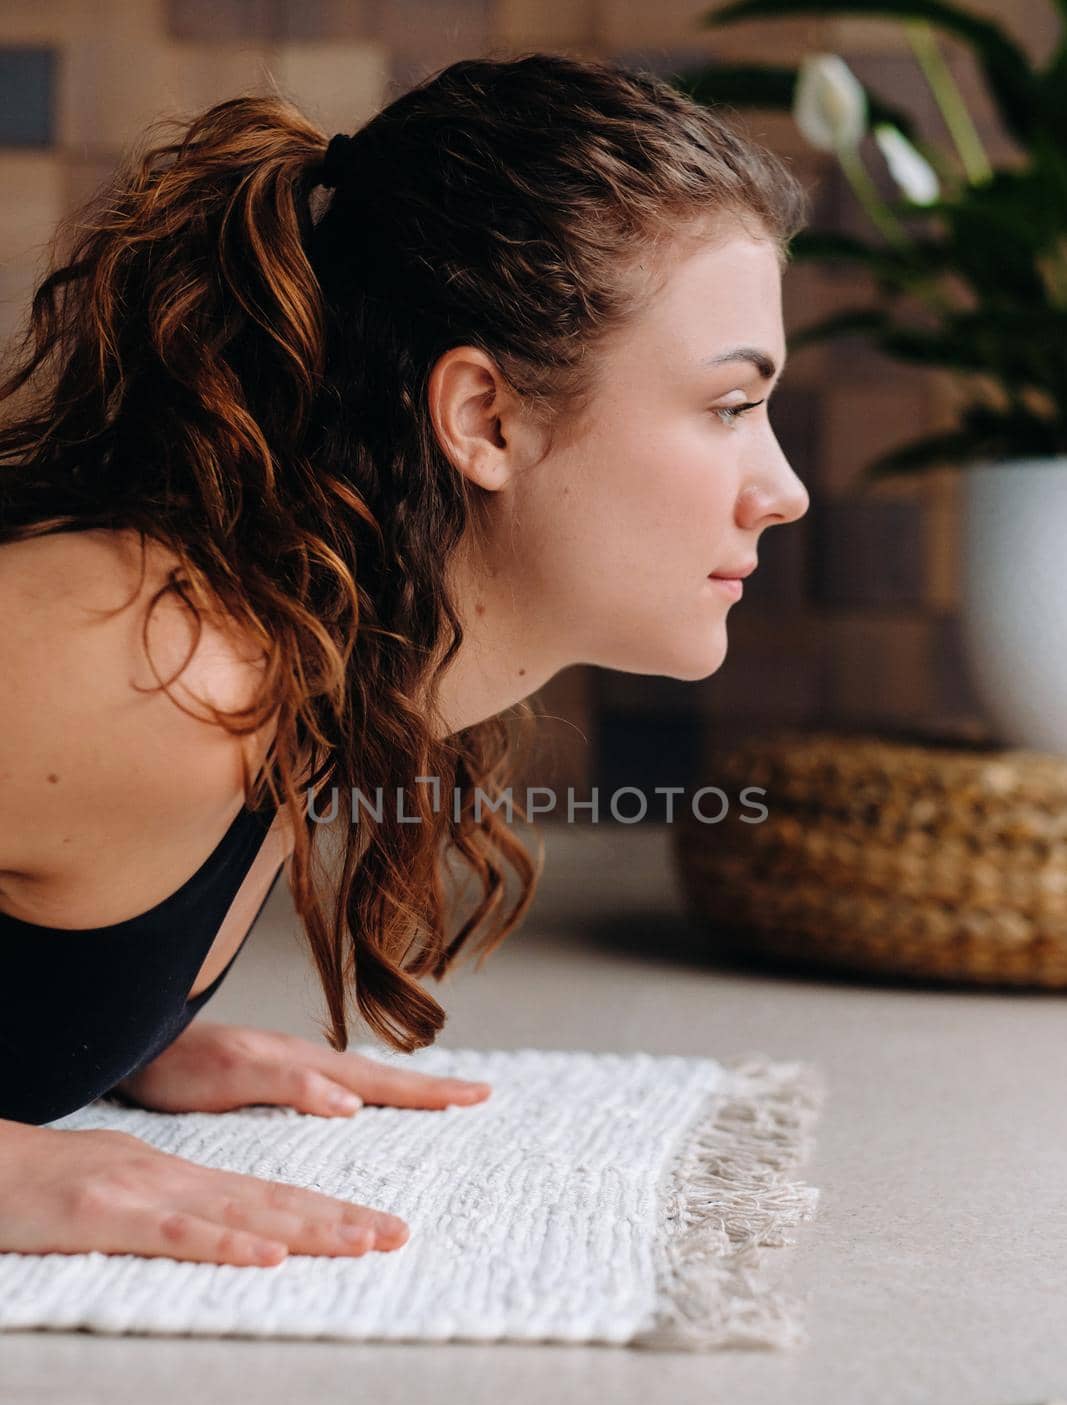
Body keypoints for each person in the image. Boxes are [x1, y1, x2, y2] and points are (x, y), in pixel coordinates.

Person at [0, 51, 809, 1266]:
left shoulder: (304, 655)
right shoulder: (156, 660)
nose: (783, 490)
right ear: (485, 418)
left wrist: (93, 1035)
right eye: (727, 407)